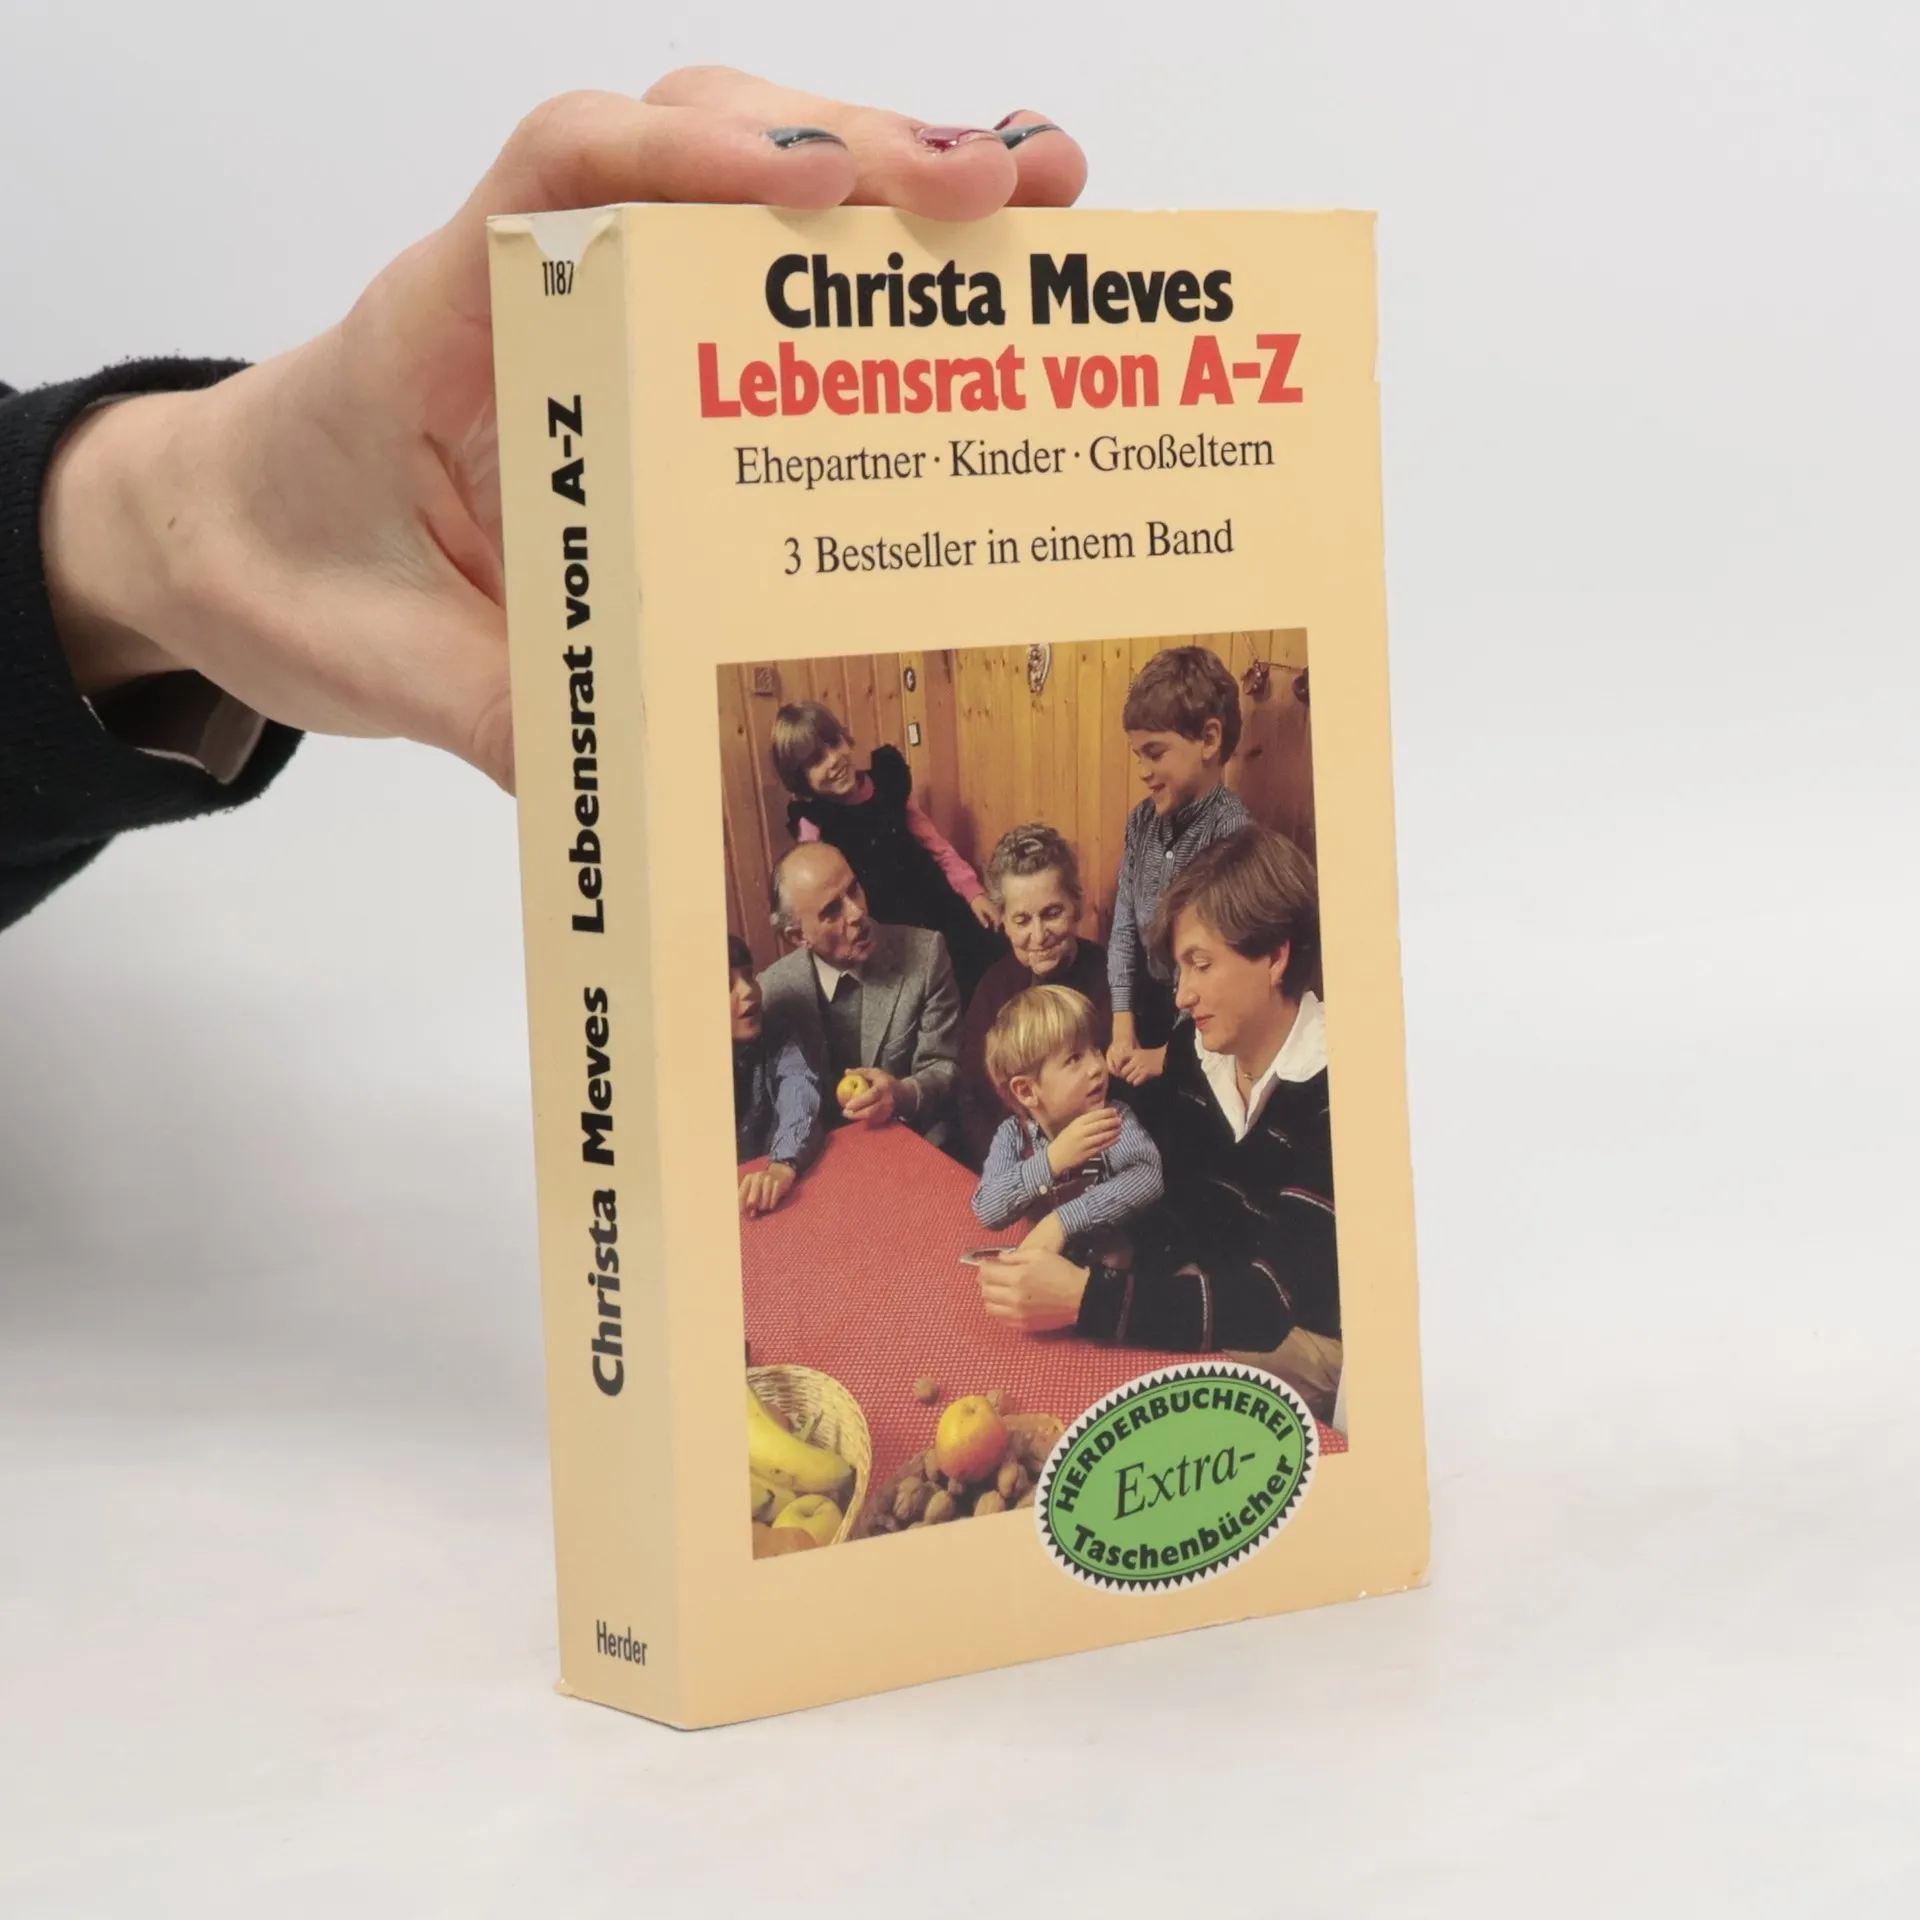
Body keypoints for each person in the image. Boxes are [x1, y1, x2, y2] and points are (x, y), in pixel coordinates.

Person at [0, 74, 1086, 930]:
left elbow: (934, 846)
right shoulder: (811, 840)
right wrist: (173, 523)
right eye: (825, 765)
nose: (845, 768)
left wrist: (145, 517)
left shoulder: (892, 784)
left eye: (840, 753)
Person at [978, 825, 1342, 1424]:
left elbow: (1270, 1300)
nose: (1181, 996)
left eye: (1200, 964)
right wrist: (1091, 1241)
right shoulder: (1197, 1051)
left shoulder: (1339, 1090)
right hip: (1207, 1289)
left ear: (1276, 957)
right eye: (1180, 970)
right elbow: (1165, 1195)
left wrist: (1084, 1297)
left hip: (1302, 1335)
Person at [775, 699, 1003, 1004]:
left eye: (834, 743)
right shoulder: (815, 822)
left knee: (986, 971)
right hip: (889, 930)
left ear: (846, 739)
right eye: (816, 760)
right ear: (800, 778)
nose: (833, 761)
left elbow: (935, 844)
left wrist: (973, 893)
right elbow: (818, 897)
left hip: (938, 905)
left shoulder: (888, 783)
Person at [1105, 646, 1254, 1088]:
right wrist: (1122, 1020)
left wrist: (1167, 1058)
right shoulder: (1141, 822)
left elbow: (1222, 971)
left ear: (1209, 739)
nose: (1143, 771)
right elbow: (1124, 925)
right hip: (1145, 1008)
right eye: (1138, 755)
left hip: (1200, 1029)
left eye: (1155, 753)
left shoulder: (1232, 834)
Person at [755, 843, 961, 1151]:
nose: (857, 913)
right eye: (832, 911)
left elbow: (945, 1068)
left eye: (854, 890)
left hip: (911, 1145)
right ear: (798, 936)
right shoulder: (772, 990)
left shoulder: (926, 954)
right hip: (816, 1156)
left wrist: (900, 1095)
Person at [954, 823, 1113, 1169]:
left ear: (1077, 905)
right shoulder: (993, 987)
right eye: (1022, 920)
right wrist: (1012, 1174)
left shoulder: (1113, 979)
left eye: (1052, 913)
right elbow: (972, 1098)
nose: (1039, 936)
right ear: (1004, 921)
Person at [971, 984, 1163, 1258]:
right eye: (1074, 1059)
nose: (1097, 1067)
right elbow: (988, 1209)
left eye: (1095, 1049)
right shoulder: (1013, 1134)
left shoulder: (1113, 1118)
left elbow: (1147, 1177)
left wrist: (1063, 1221)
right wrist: (1052, 1160)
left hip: (1112, 1269)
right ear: (1026, 1091)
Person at [728, 934, 822, 1216]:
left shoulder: (778, 1034)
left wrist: (782, 1167)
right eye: (725, 984)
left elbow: (799, 1089)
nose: (748, 991)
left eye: (749, 975)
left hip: (769, 1193)